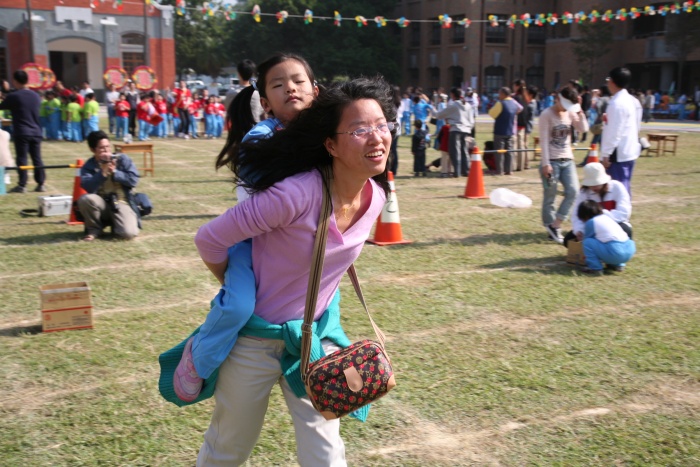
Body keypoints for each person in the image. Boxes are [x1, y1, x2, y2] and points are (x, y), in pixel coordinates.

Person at [189, 77, 393, 466]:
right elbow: (209, 239)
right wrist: (239, 289)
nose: (377, 137)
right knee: (228, 448)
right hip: (254, 341)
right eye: (359, 129)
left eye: (382, 125)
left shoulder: (377, 196)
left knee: (326, 451)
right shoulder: (294, 195)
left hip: (311, 341)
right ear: (331, 145)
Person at [173, 53, 321, 404]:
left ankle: (321, 359)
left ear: (315, 90)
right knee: (239, 305)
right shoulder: (262, 136)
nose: (290, 88)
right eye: (278, 85)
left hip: (305, 243)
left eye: (298, 81)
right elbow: (262, 180)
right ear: (265, 102)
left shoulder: (327, 132)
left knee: (326, 300)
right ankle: (198, 356)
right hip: (254, 243)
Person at [538, 87, 588, 244]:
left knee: (573, 191)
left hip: (567, 159)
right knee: (550, 196)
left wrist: (580, 111)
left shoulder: (570, 112)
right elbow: (544, 141)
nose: (566, 109)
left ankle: (556, 224)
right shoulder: (546, 114)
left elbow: (583, 129)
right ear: (558, 99)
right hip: (551, 161)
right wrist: (546, 163)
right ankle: (550, 226)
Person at [78, 130, 140, 241]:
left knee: (128, 234)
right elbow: (88, 187)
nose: (106, 150)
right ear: (93, 150)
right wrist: (102, 173)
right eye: (102, 148)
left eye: (108, 146)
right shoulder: (88, 166)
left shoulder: (122, 159)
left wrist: (115, 172)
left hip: (121, 202)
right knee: (85, 199)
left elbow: (133, 180)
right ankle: (94, 230)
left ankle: (118, 224)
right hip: (101, 204)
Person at [563, 162, 632, 248]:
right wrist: (579, 230)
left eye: (597, 183)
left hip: (616, 224)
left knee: (626, 230)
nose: (594, 187)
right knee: (568, 240)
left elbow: (624, 213)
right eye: (591, 184)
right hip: (592, 228)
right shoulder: (583, 193)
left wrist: (601, 217)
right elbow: (576, 215)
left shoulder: (617, 187)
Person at [0, 70, 46, 193]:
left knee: (22, 158)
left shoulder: (14, 96)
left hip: (22, 131)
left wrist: (3, 94)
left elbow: (2, 106)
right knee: (37, 158)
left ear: (15, 81)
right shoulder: (36, 96)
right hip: (36, 131)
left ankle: (22, 185)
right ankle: (41, 183)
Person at [600, 67, 642, 196]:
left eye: (608, 79)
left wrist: (606, 154)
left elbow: (614, 132)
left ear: (612, 81)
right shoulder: (633, 100)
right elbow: (636, 124)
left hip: (617, 154)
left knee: (617, 191)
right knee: (623, 187)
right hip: (629, 150)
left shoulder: (617, 104)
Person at [577, 200, 636, 276]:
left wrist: (581, 239)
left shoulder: (591, 222)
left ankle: (595, 268)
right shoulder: (606, 217)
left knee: (587, 242)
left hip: (615, 252)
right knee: (608, 241)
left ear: (584, 215)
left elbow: (587, 240)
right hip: (629, 250)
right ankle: (618, 265)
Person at [435, 87, 474, 177]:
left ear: (453, 95)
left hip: (455, 130)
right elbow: (472, 121)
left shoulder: (453, 105)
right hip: (466, 130)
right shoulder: (468, 105)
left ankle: (457, 172)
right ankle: (466, 170)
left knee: (455, 152)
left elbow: (439, 115)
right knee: (464, 151)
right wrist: (468, 128)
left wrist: (433, 110)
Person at [488, 86, 522, 176]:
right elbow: (519, 110)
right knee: (509, 151)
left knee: (499, 152)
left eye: (499, 93)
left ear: (503, 94)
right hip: (510, 130)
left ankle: (500, 170)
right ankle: (509, 170)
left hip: (500, 130)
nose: (498, 95)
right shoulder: (514, 103)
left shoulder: (500, 103)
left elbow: (491, 113)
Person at [224, 60, 264, 125]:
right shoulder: (257, 94)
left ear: (238, 74)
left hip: (237, 127)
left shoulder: (231, 93)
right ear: (252, 74)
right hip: (254, 127)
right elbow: (261, 111)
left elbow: (228, 109)